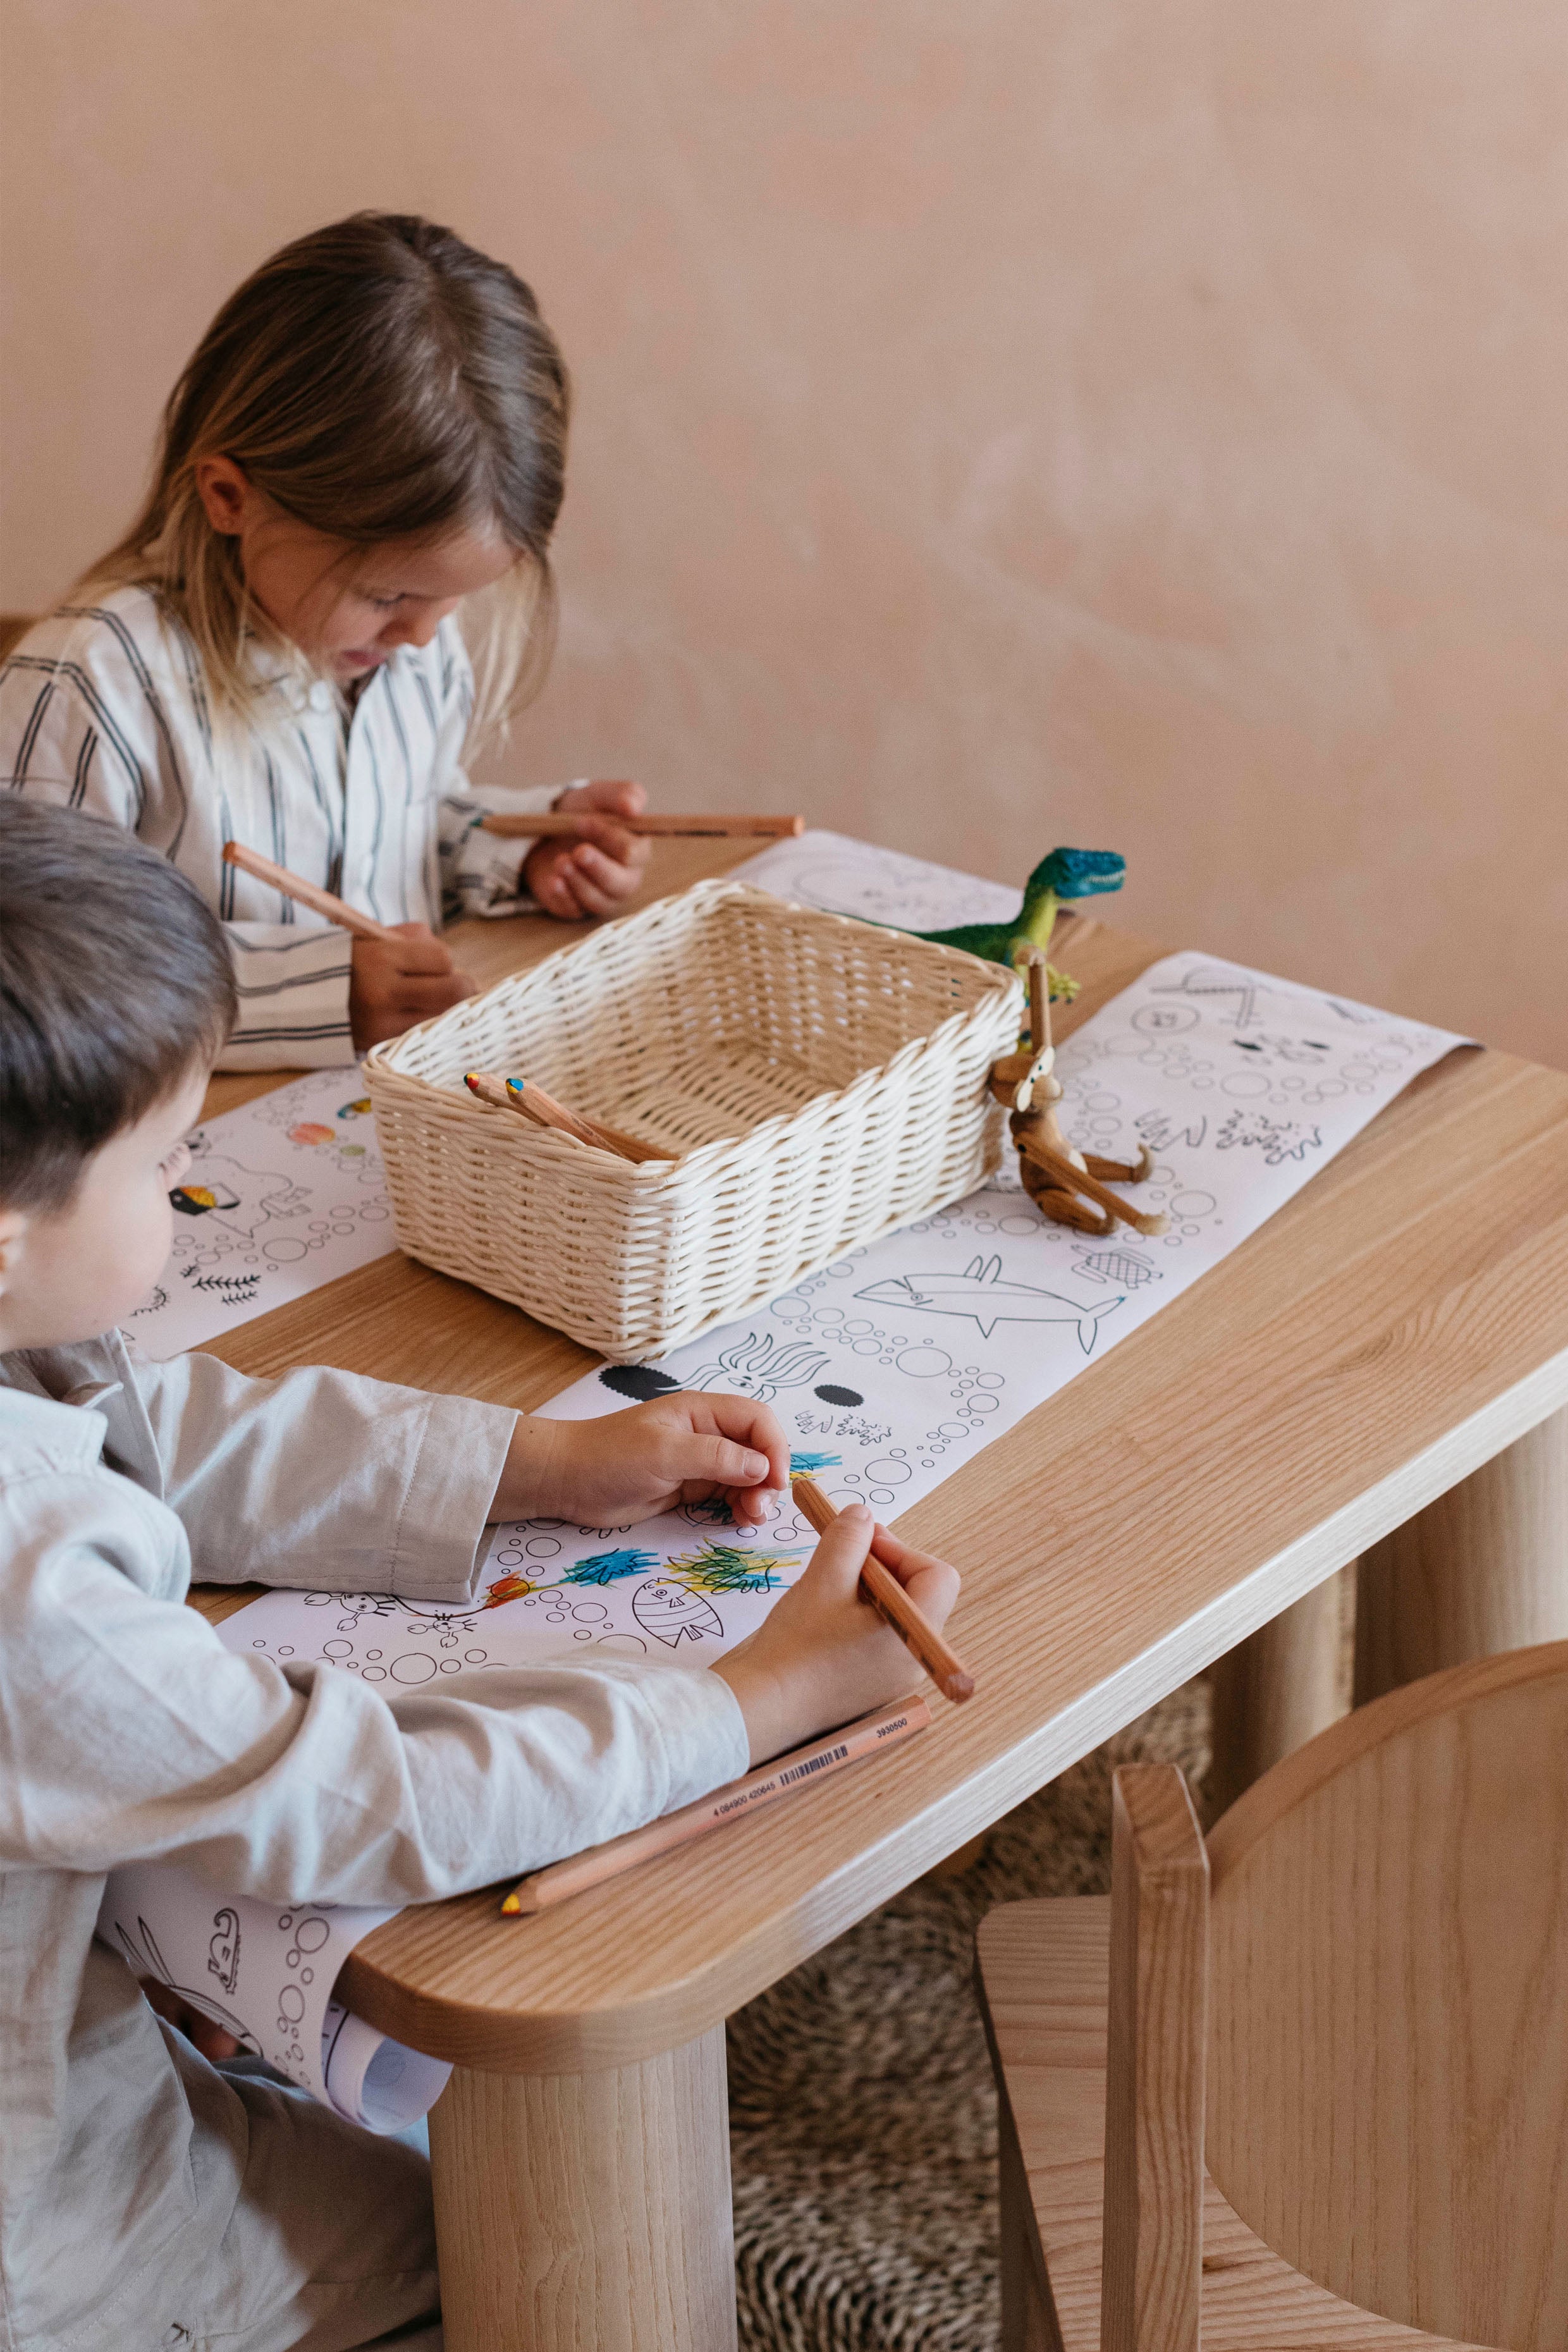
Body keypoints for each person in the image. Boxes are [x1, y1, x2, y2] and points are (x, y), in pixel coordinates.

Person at [0, 800, 961, 2351]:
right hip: (44, 2241)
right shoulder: (25, 1583)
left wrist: (541, 1465)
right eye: (164, 1164)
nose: (181, 1201)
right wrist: (754, 1698)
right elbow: (365, 1802)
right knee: (548, 2238)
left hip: (79, 2041)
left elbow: (146, 1425)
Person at [0, 212, 652, 1072]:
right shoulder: (94, 683)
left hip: (384, 1124)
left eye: (451, 602)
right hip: (185, 1163)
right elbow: (37, 980)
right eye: (386, 595)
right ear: (230, 495)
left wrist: (516, 846)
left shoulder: (399, 648)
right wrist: (313, 995)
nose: (423, 635)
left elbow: (392, 838)